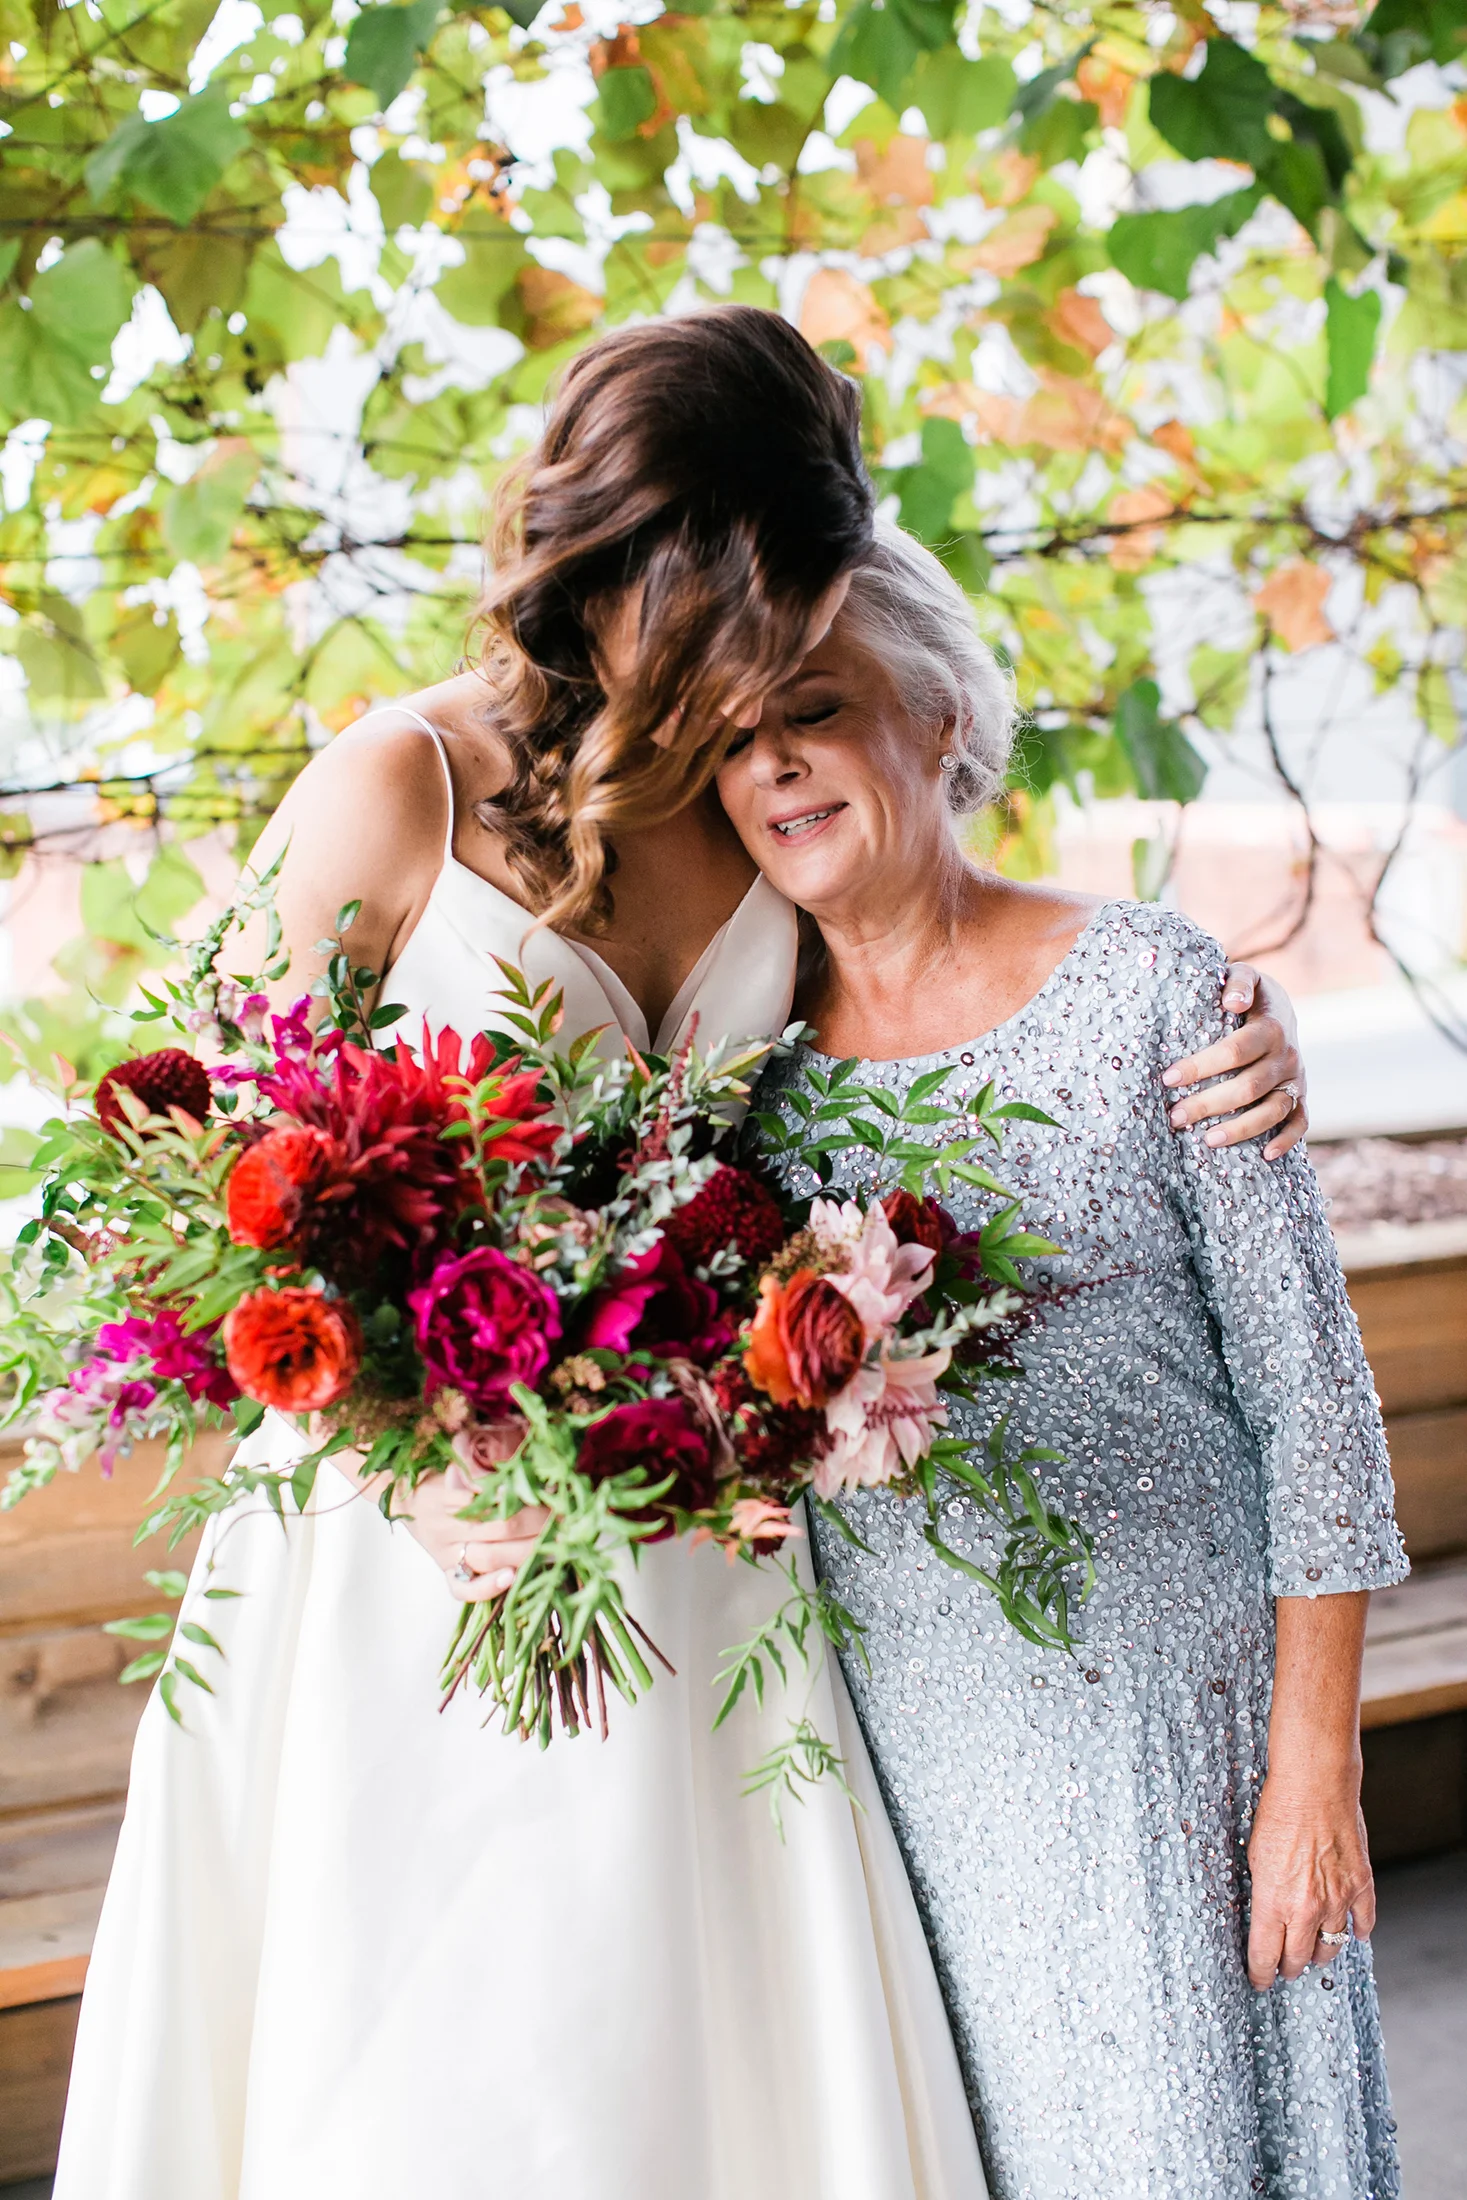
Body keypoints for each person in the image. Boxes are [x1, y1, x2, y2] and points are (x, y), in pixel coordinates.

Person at [57, 313, 1307, 2200]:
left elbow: (936, 1014)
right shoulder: (396, 788)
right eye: (729, 603)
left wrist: (1228, 1045)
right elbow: (191, 1183)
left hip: (696, 1544)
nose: (753, 665)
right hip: (415, 1555)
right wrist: (407, 1477)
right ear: (621, 563)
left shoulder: (754, 819)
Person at [718, 520, 1406, 2200]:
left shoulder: (1155, 990)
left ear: (940, 717)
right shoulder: (737, 1079)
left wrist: (1313, 1773)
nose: (774, 765)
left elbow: (1314, 1406)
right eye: (733, 739)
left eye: (812, 707)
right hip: (901, 1748)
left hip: (1180, 1739)